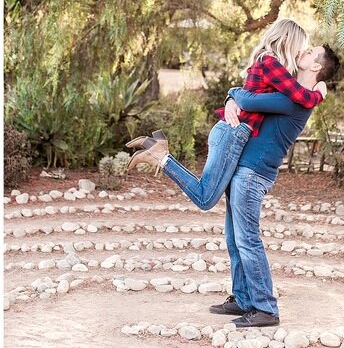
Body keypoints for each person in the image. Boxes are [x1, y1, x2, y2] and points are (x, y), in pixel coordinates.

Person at [125, 18, 326, 209]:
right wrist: (319, 92)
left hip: (231, 131)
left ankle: (159, 151)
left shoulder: (268, 62)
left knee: (207, 194)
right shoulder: (271, 63)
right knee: (205, 199)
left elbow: (251, 95)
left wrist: (231, 97)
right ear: (287, 41)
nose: (301, 51)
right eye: (300, 46)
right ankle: (161, 156)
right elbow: (302, 97)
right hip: (234, 132)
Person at [212, 43, 341, 328]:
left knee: (247, 239)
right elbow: (253, 96)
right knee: (235, 239)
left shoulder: (294, 100)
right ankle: (243, 298)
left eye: (309, 52)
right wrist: (234, 98)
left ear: (316, 67)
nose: (302, 52)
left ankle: (265, 308)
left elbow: (249, 101)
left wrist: (233, 95)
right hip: (245, 170)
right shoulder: (295, 93)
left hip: (253, 173)